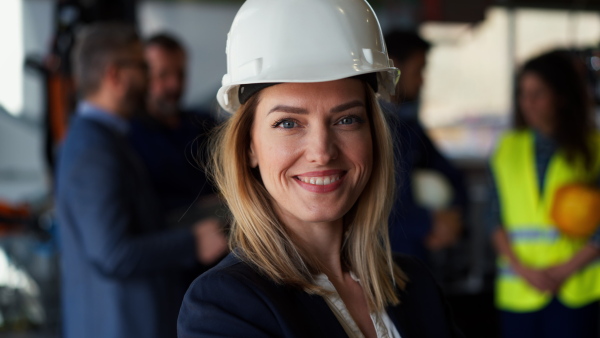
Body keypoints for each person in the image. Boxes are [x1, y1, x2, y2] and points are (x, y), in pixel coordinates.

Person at [177, 1, 464, 337]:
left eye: (346, 120)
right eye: (288, 123)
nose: (322, 152)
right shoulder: (224, 305)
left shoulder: (416, 285)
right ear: (249, 146)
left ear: (373, 135)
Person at [55, 23, 226, 338]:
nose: (151, 79)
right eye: (143, 68)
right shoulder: (94, 148)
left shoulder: (106, 139)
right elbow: (113, 253)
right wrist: (192, 242)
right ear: (115, 76)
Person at [490, 50, 600, 338]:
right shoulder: (506, 148)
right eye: (523, 94)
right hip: (518, 288)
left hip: (577, 288)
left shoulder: (595, 148)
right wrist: (524, 270)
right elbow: (492, 218)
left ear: (561, 97)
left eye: (537, 93)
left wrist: (565, 270)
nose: (528, 103)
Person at [381, 30, 468, 260]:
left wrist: (452, 218)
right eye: (419, 70)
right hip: (377, 259)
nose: (422, 80)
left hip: (416, 257)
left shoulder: (409, 127)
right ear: (393, 66)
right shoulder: (364, 128)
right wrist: (427, 222)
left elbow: (453, 177)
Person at [129, 33, 222, 217]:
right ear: (143, 76)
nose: (175, 84)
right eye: (163, 75)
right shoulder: (129, 137)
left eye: (180, 74)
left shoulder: (205, 124)